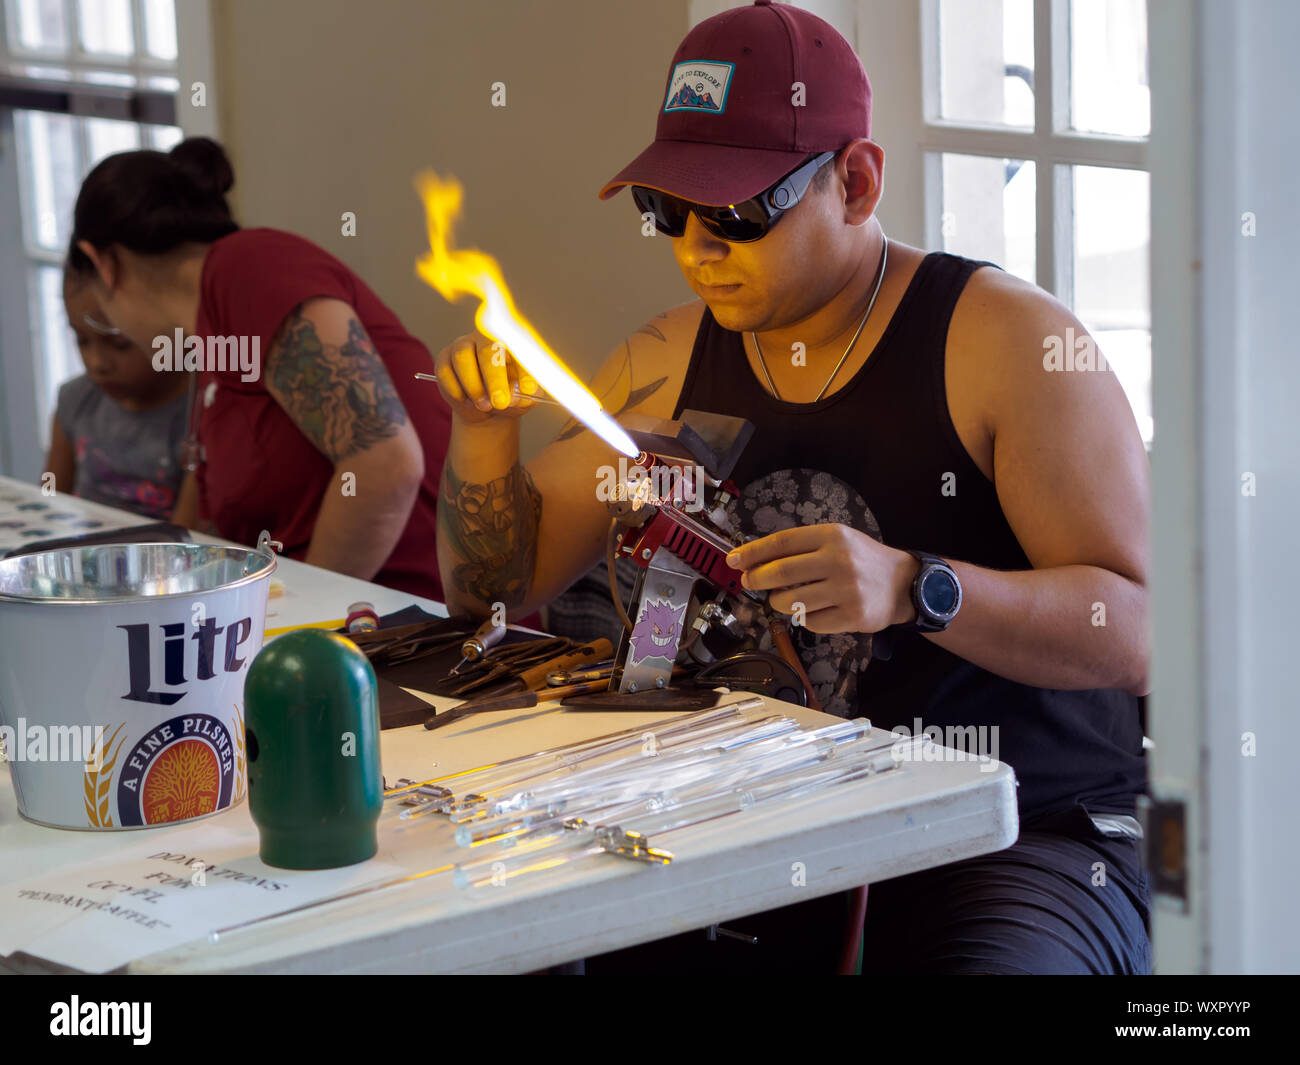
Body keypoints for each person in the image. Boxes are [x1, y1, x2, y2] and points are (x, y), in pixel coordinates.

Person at [431, 0, 1150, 974]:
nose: (696, 248)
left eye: (737, 213)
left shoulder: (1005, 346)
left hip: (1017, 824)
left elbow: (1142, 636)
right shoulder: (664, 360)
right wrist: (482, 438)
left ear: (855, 182)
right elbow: (489, 598)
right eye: (667, 211)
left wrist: (914, 587)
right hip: (757, 814)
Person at [66, 137, 451, 600]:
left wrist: (301, 624)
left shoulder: (247, 267)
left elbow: (387, 463)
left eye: (99, 320)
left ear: (102, 264)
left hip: (416, 621)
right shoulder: (209, 339)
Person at [44, 264, 190, 520]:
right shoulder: (76, 400)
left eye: (120, 344)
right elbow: (49, 495)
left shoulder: (200, 417)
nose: (97, 363)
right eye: (81, 340)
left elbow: (192, 534)